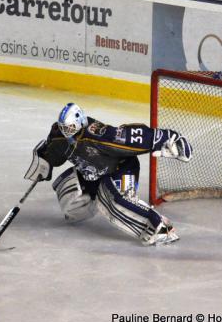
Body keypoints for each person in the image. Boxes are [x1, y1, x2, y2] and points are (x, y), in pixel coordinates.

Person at [24, 103, 192, 246]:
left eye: (70, 128)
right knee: (68, 195)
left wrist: (170, 138)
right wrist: (44, 160)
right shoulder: (59, 138)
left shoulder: (98, 134)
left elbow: (131, 136)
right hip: (94, 173)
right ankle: (96, 194)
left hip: (122, 168)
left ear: (80, 122)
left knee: (115, 201)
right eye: (64, 128)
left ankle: (161, 227)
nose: (67, 132)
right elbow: (52, 152)